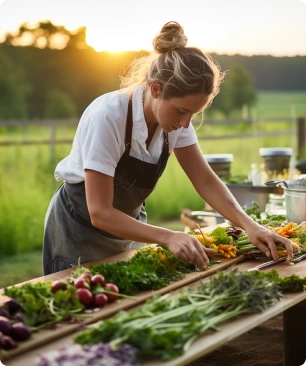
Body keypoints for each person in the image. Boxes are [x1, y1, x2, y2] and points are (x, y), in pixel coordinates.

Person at [43, 21, 292, 275]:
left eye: (193, 115)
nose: (186, 123)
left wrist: (251, 227)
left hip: (129, 230)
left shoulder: (175, 122)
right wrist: (169, 236)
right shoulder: (108, 118)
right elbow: (100, 212)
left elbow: (205, 180)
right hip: (78, 233)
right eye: (182, 111)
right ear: (156, 89)